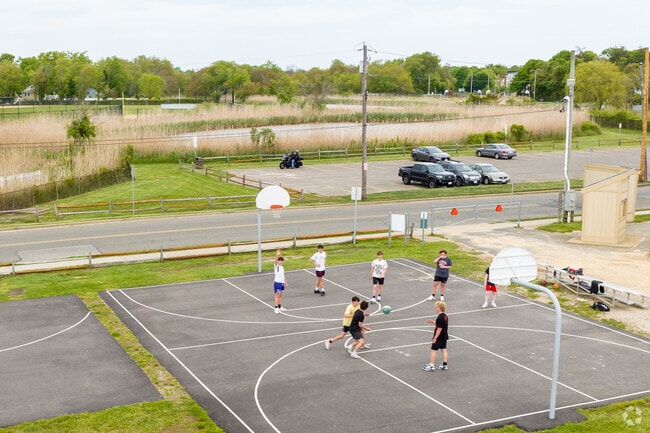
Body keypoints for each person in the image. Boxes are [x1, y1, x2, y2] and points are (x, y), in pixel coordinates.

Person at [423, 301, 449, 371]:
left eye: (437, 307)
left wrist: (435, 338)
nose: (436, 308)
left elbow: (439, 328)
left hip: (439, 337)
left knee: (433, 350)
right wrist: (434, 322)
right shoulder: (445, 316)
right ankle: (444, 365)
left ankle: (431, 365)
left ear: (440, 308)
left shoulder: (440, 317)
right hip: (444, 336)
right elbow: (441, 325)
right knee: (443, 349)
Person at [273, 249, 287, 314]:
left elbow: (283, 275)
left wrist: (285, 282)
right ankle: (276, 308)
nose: (280, 262)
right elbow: (276, 260)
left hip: (281, 283)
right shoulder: (276, 266)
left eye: (281, 261)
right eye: (279, 260)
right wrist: (277, 254)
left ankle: (279, 306)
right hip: (277, 283)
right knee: (277, 295)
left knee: (280, 295)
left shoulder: (282, 267)